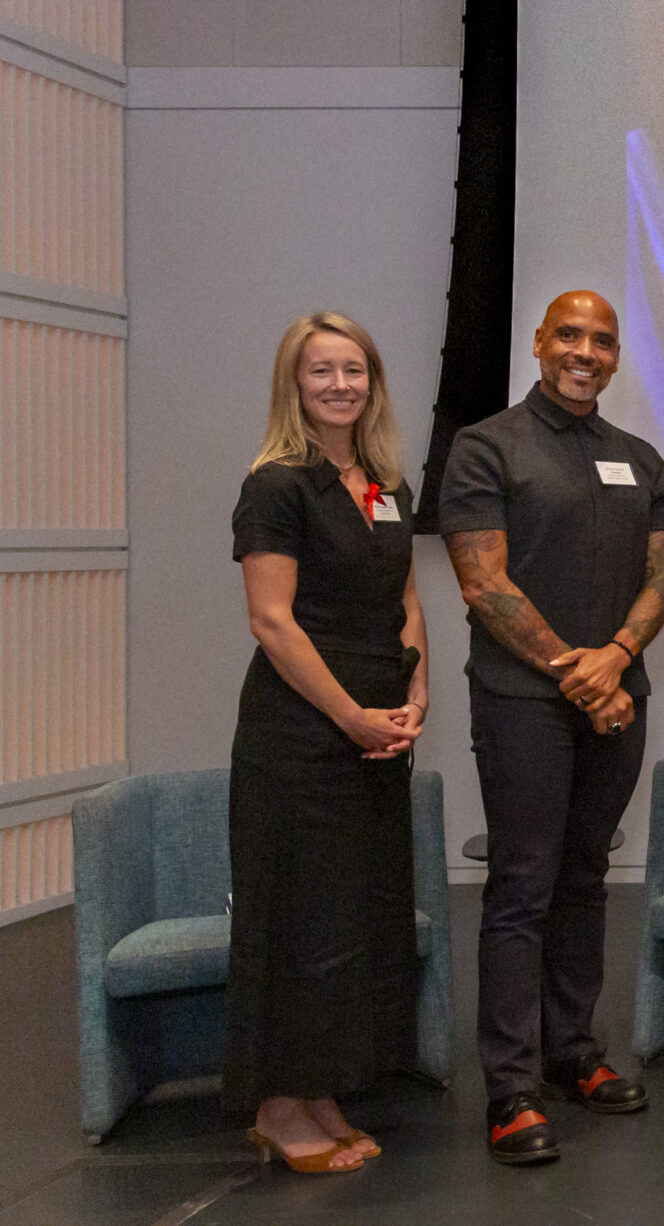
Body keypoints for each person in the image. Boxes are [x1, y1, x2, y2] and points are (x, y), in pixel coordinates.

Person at [442, 291, 664, 1165]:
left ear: (617, 357)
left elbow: (661, 584)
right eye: (569, 335)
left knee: (586, 877)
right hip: (523, 701)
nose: (586, 351)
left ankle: (574, 1052)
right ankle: (511, 1090)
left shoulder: (640, 458)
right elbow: (483, 585)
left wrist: (615, 657)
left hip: (621, 694)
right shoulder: (485, 447)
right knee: (523, 886)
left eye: (603, 340)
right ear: (539, 344)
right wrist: (580, 677)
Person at [225, 313, 428, 1174]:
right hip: (301, 736)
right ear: (294, 385)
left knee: (355, 920)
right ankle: (277, 1106)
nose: (341, 385)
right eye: (323, 372)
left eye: (355, 370)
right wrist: (350, 715)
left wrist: (415, 695)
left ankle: (320, 1089)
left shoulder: (386, 483)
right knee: (299, 920)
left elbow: (409, 599)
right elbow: (272, 620)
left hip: (380, 733)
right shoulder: (276, 484)